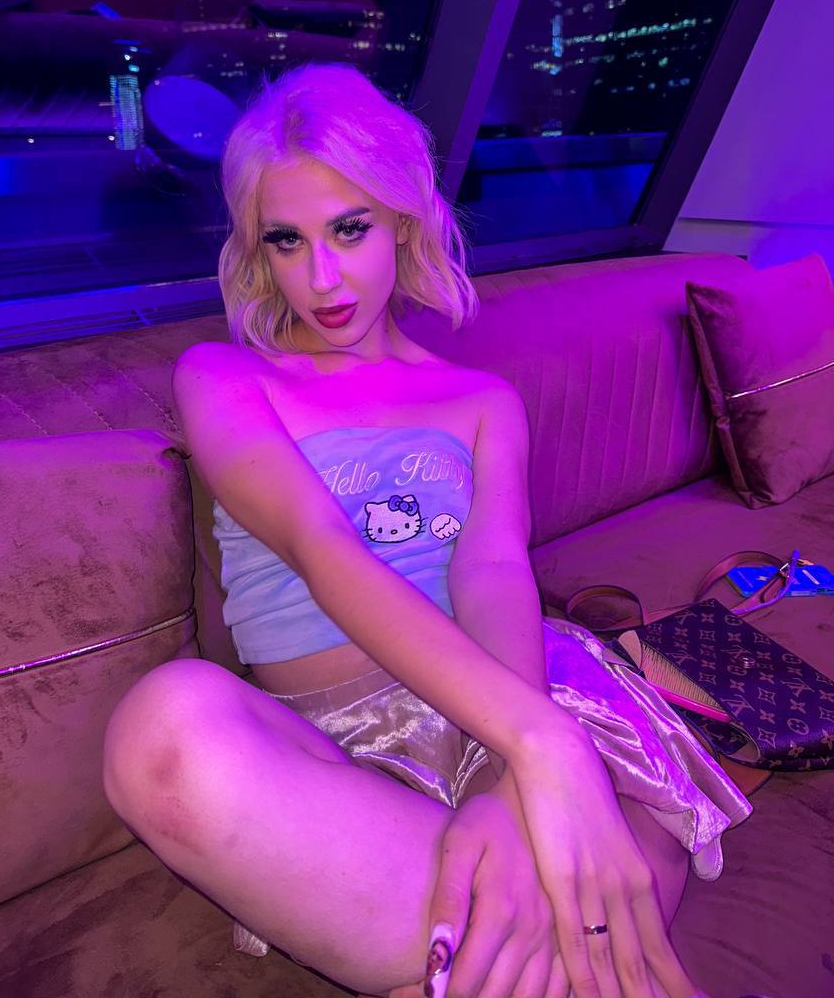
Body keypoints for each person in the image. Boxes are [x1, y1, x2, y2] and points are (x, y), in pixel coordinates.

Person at [102, 63, 752, 998]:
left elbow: (494, 572)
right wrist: (540, 754)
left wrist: (511, 765)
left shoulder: (482, 401)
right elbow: (322, 548)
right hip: (341, 744)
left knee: (565, 935)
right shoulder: (224, 376)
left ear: (403, 222)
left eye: (350, 229)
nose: (322, 277)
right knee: (162, 730)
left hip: (521, 689)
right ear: (257, 249)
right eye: (287, 240)